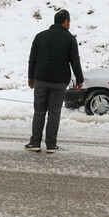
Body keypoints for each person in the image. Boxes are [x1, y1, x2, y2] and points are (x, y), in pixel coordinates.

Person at [27, 10, 84, 153]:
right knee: (54, 113)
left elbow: (32, 59)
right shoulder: (70, 39)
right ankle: (51, 145)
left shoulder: (40, 36)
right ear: (66, 22)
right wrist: (79, 79)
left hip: (41, 80)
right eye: (69, 22)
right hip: (59, 82)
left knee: (39, 111)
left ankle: (35, 143)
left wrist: (31, 77)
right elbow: (74, 61)